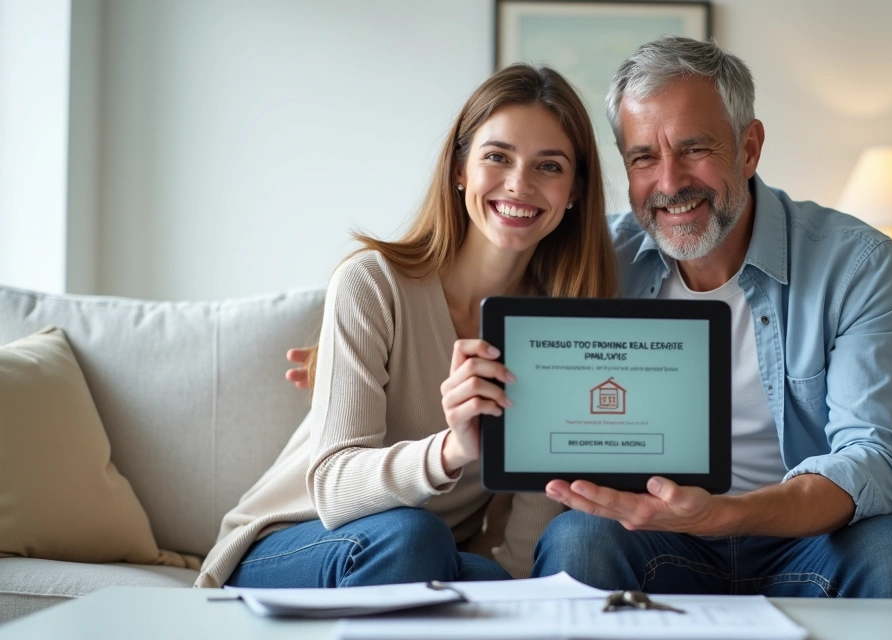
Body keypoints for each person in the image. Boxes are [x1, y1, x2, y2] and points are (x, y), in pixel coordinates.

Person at [286, 37, 892, 599]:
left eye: (695, 149)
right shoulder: (597, 258)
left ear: (749, 149)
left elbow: (875, 461)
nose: (669, 182)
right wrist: (357, 359)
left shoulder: (857, 263)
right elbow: (487, 302)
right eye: (642, 158)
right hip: (651, 534)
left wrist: (723, 514)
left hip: (806, 538)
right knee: (578, 537)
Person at [195, 64, 617, 589]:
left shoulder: (558, 326)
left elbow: (529, 524)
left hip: (428, 552)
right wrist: (453, 449)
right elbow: (330, 487)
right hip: (293, 541)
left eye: (549, 166)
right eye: (497, 157)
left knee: (483, 574)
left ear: (575, 189)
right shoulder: (372, 284)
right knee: (414, 538)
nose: (519, 184)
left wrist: (509, 600)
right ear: (460, 169)